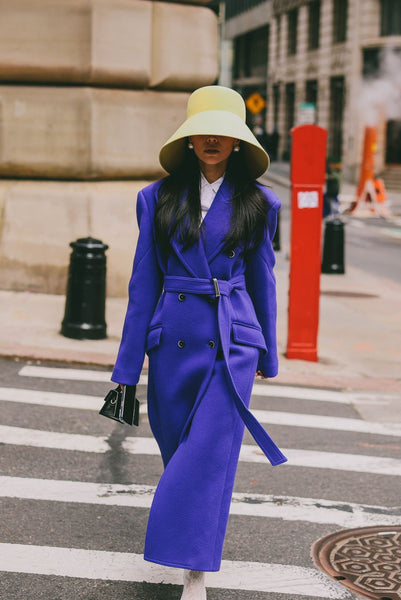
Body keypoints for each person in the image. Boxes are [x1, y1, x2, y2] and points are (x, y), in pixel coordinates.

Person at [111, 85, 287, 600]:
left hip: (231, 343)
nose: (212, 139)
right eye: (202, 131)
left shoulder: (261, 202)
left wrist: (268, 353)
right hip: (172, 345)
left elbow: (264, 282)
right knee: (179, 454)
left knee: (208, 456)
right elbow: (143, 285)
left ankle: (196, 573)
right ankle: (192, 553)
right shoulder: (155, 198)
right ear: (188, 141)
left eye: (224, 132)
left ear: (238, 143)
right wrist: (126, 369)